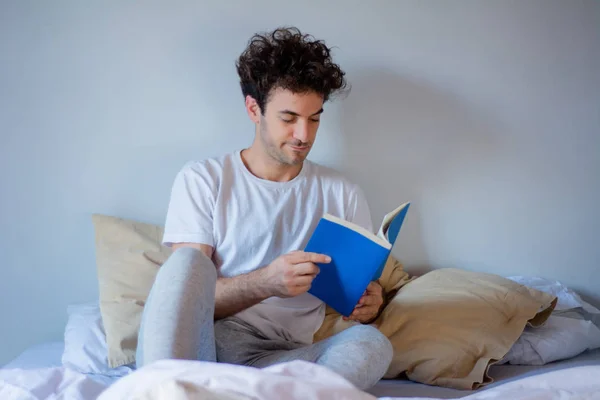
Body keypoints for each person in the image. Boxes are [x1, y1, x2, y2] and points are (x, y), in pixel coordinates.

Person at [135, 26, 393, 390]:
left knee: (371, 344)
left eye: (315, 118)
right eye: (289, 118)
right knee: (187, 264)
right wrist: (265, 283)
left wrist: (369, 302)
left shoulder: (343, 193)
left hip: (285, 360)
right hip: (205, 350)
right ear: (253, 109)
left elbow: (356, 294)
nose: (304, 135)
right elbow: (184, 303)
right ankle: (170, 392)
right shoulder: (203, 179)